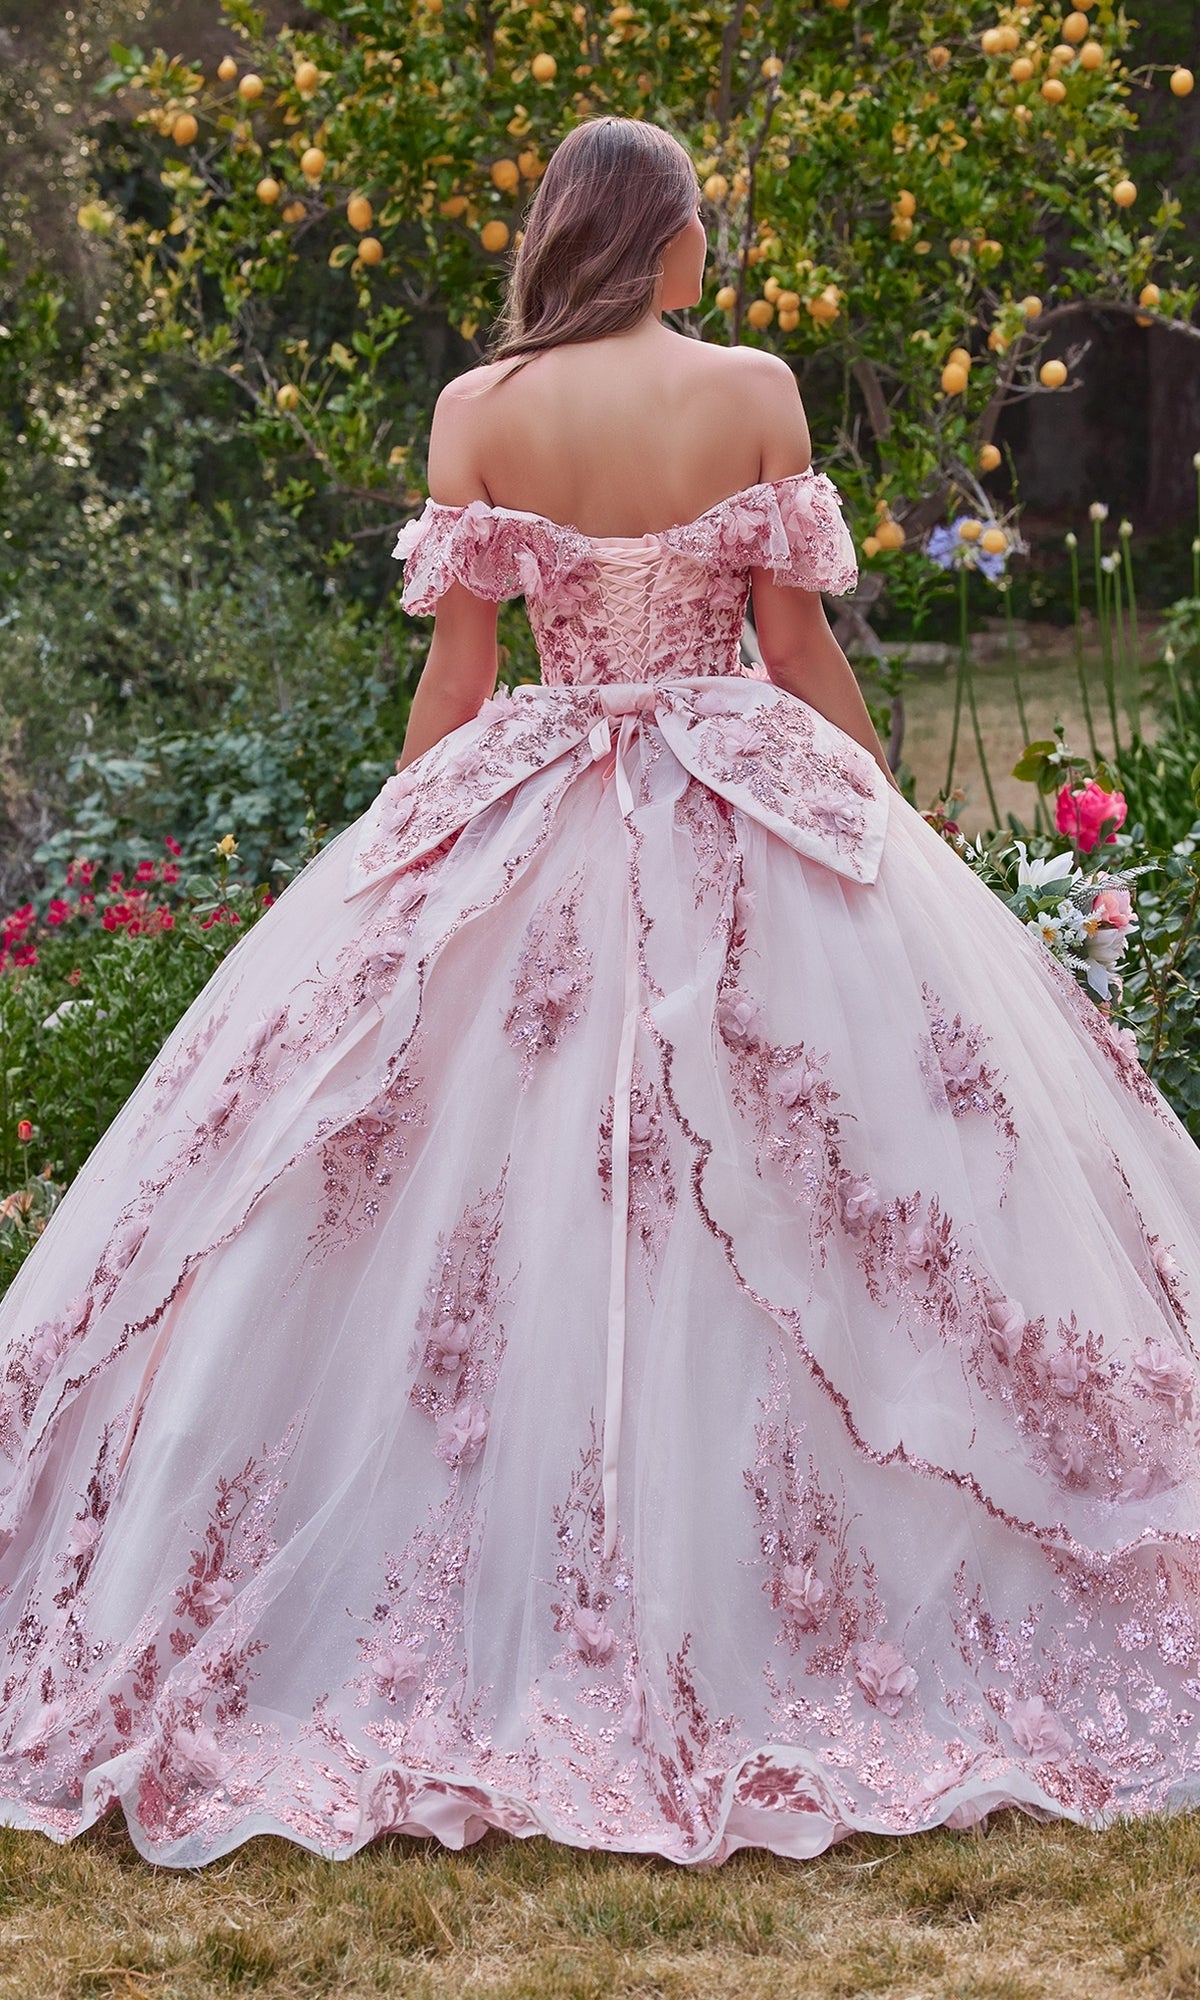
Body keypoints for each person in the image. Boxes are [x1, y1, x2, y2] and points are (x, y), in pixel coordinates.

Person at [1, 115, 1199, 1873]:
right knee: (833, 1152)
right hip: (735, 782)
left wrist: (400, 851)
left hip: (541, 789)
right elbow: (792, 647)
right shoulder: (755, 388)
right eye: (700, 225)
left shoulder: (481, 409)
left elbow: (461, 673)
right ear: (668, 239)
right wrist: (882, 816)